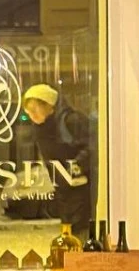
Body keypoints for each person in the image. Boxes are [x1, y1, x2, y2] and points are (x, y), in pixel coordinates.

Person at [22, 83, 94, 239]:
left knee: (81, 229)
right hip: (63, 188)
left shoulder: (71, 120)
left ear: (49, 106)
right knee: (69, 228)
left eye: (34, 110)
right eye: (28, 112)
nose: (31, 115)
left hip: (80, 188)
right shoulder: (41, 127)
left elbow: (91, 146)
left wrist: (75, 167)